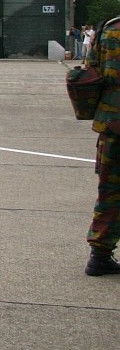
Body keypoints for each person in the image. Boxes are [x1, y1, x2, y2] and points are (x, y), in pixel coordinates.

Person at [83, 16, 120, 276]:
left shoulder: (110, 28)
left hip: (111, 123)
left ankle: (100, 254)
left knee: (110, 193)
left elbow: (90, 70)